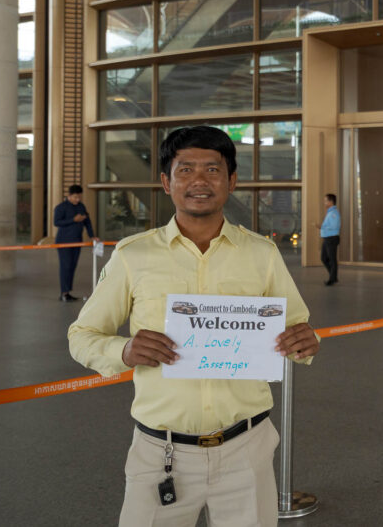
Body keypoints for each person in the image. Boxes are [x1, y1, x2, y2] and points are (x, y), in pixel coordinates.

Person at [68, 125, 320, 526]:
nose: (199, 180)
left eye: (212, 170)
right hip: (160, 454)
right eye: (185, 170)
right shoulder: (133, 256)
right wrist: (125, 351)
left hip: (247, 448)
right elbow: (81, 337)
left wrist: (306, 341)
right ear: (166, 182)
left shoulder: (262, 254)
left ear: (231, 180)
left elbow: (296, 325)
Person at [53, 184, 99, 302]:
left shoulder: (81, 207)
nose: (77, 200)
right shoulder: (61, 207)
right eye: (75, 197)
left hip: (77, 242)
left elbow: (87, 222)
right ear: (69, 195)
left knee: (72, 266)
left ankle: (67, 293)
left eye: (79, 197)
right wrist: (73, 220)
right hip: (64, 242)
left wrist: (92, 236)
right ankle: (63, 293)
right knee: (66, 266)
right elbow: (56, 222)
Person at [320, 193, 340, 286]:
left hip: (331, 238)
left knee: (332, 259)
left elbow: (334, 226)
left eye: (325, 201)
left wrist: (322, 227)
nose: (324, 203)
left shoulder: (334, 213)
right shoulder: (329, 212)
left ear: (331, 201)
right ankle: (333, 276)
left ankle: (332, 279)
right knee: (324, 258)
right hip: (327, 238)